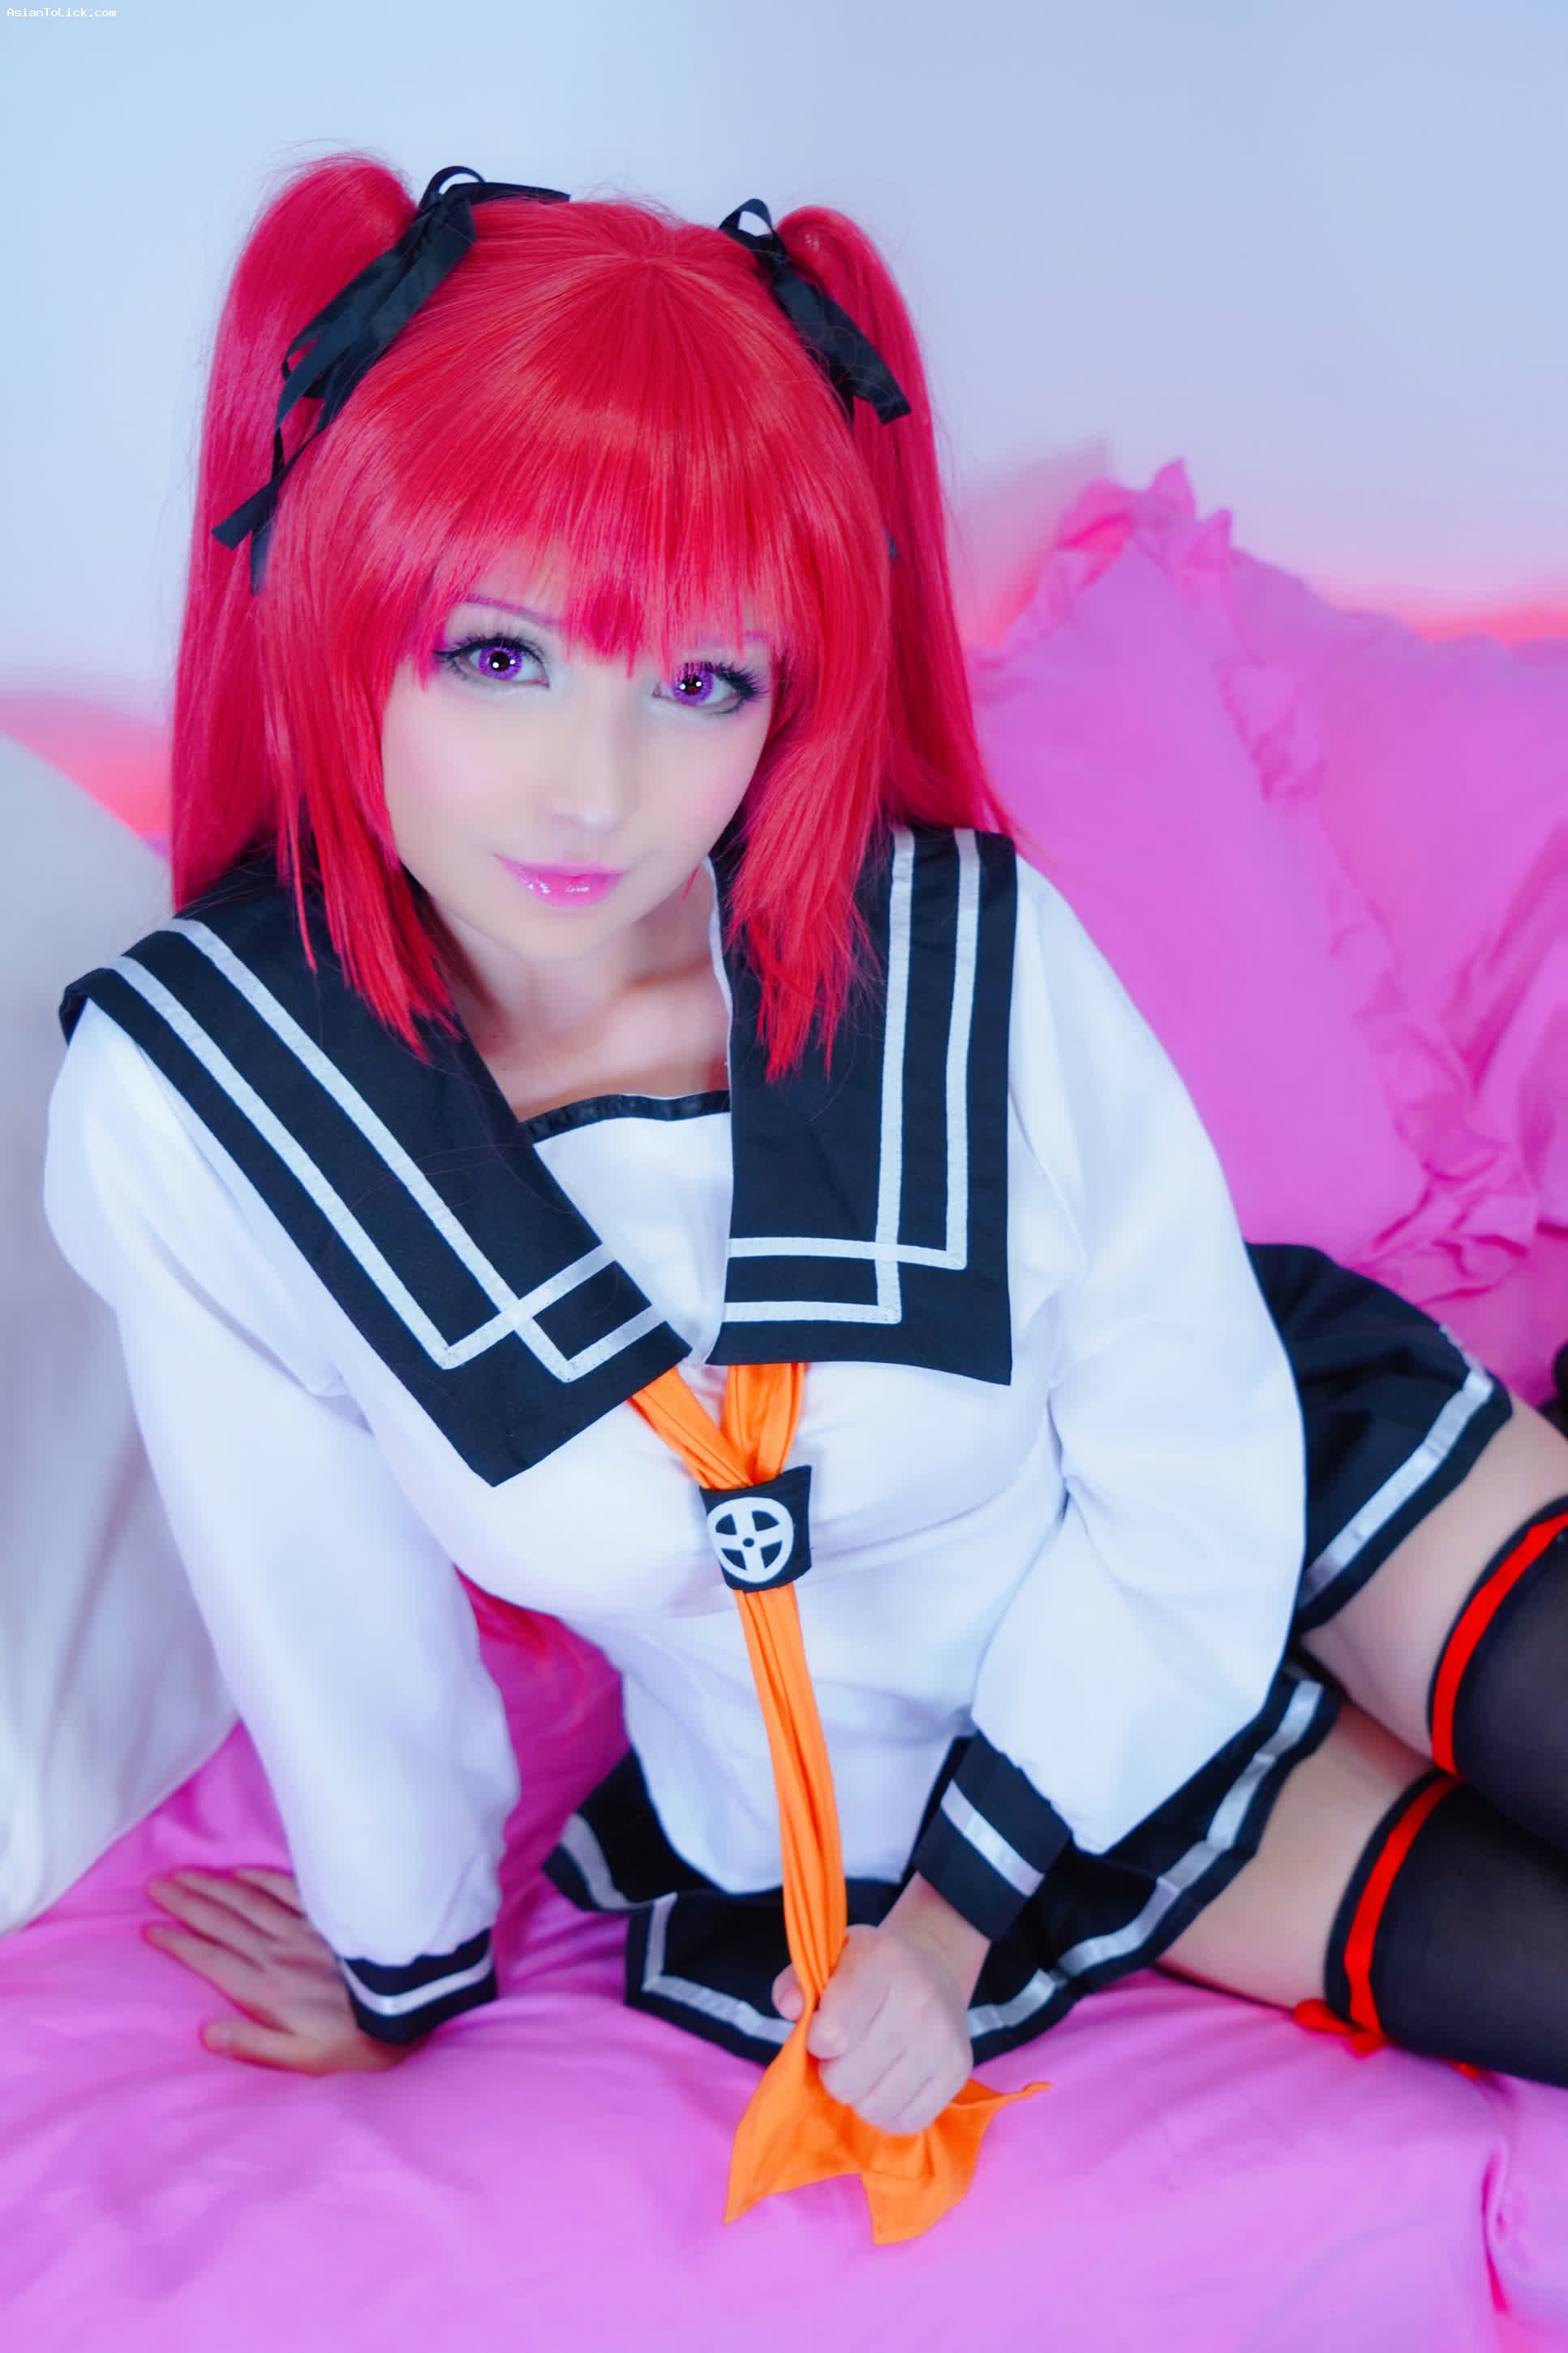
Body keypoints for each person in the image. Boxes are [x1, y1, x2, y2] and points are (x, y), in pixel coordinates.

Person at [41, 157, 1568, 2164]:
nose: (594, 789)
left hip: (1261, 1487)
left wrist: (946, 1929)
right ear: (337, 599)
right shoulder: (199, 1105)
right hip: (931, 1795)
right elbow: (316, 1595)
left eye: (701, 682)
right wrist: (403, 1963)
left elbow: (1189, 1439)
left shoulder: (952, 946)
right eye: (497, 654)